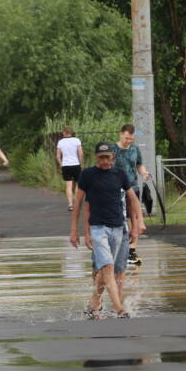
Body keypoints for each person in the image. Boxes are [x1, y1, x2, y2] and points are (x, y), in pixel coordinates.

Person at [69, 142, 144, 319]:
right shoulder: (87, 175)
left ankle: (93, 303)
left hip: (118, 228)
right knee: (107, 267)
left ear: (113, 157)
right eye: (101, 157)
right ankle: (119, 309)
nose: (104, 161)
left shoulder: (119, 174)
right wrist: (75, 231)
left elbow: (133, 199)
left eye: (107, 157)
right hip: (98, 228)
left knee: (107, 270)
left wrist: (138, 223)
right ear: (96, 157)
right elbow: (79, 204)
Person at [113, 123, 151, 266]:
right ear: (121, 134)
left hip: (133, 187)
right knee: (120, 218)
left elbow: (139, 165)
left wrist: (144, 173)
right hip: (116, 189)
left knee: (134, 218)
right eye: (127, 138)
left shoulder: (135, 149)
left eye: (131, 139)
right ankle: (119, 249)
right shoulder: (112, 149)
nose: (129, 141)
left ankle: (132, 252)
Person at [56, 126, 84, 211]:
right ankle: (77, 204)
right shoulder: (76, 140)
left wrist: (61, 164)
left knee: (68, 185)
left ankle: (70, 205)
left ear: (64, 133)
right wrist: (81, 163)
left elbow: (57, 156)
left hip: (66, 165)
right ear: (72, 132)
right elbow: (81, 153)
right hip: (76, 165)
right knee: (77, 185)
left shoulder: (60, 142)